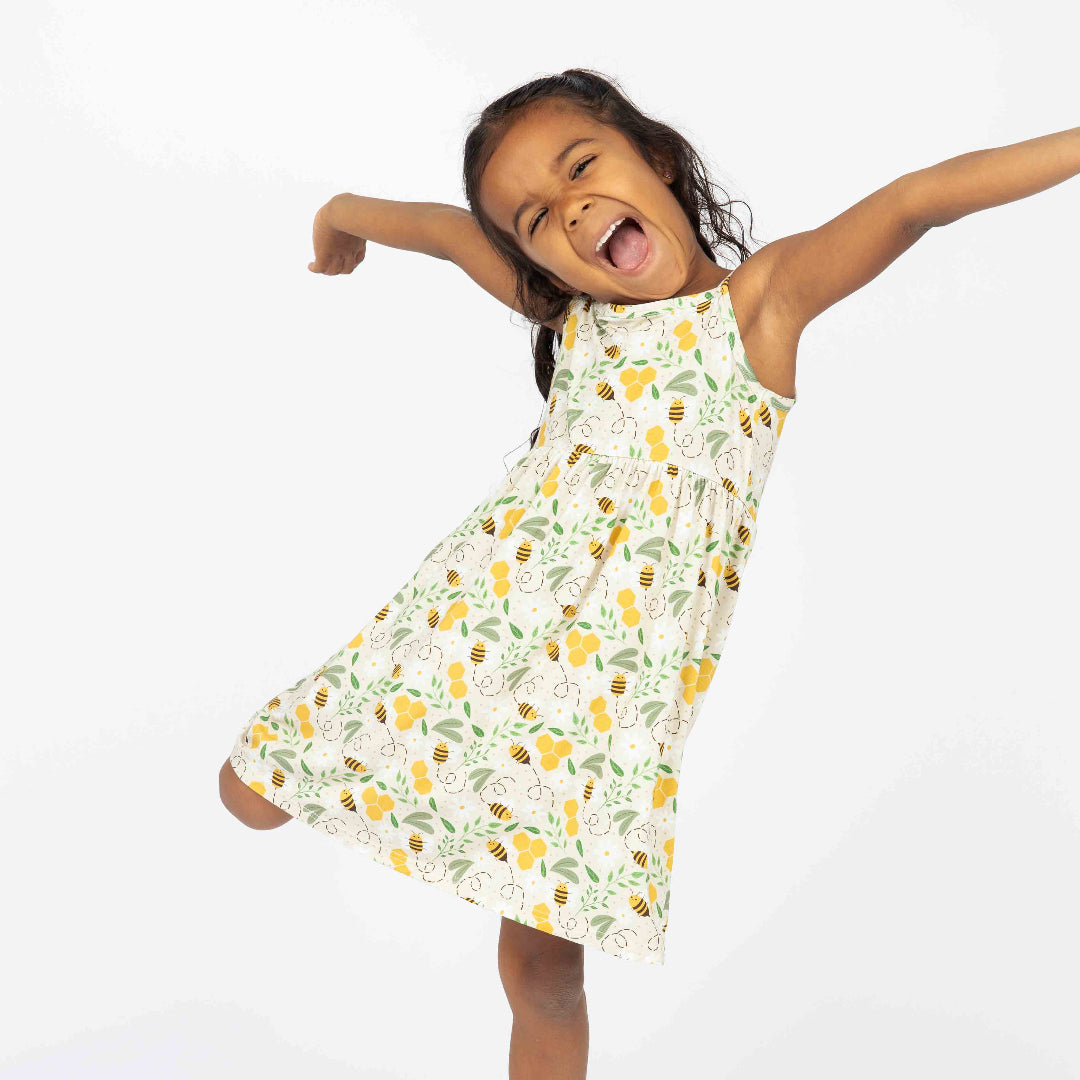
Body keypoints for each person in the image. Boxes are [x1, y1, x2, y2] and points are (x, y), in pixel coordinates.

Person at [219, 67, 1079, 1079]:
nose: (572, 209)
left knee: (540, 973)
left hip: (603, 706)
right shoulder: (576, 315)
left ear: (657, 157)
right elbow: (455, 234)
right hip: (464, 626)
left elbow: (917, 200)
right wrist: (340, 216)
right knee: (249, 790)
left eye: (582, 168)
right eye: (538, 217)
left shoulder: (759, 308)